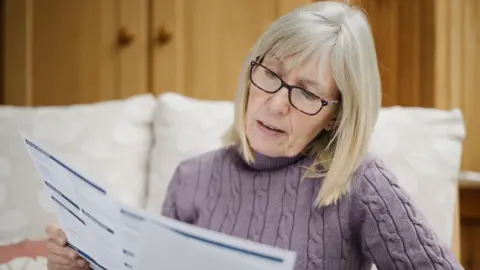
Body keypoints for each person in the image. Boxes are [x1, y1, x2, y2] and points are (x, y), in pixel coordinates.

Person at [45, 1, 464, 269]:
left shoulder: (360, 182)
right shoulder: (191, 178)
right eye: (270, 75)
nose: (277, 103)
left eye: (306, 93)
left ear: (336, 116)